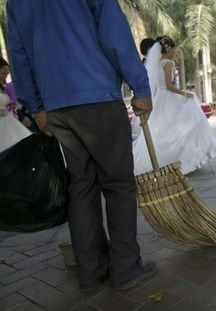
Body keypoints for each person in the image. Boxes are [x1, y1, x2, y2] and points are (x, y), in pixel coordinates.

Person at [7, 0, 156, 291]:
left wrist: (36, 106)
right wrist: (140, 86)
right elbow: (114, 34)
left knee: (81, 185)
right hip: (97, 97)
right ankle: (125, 268)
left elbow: (19, 53)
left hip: (56, 107)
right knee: (118, 184)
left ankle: (90, 272)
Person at [133, 36, 216, 175]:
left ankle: (163, 161)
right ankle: (180, 159)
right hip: (167, 97)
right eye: (174, 49)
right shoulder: (168, 63)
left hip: (159, 99)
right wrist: (185, 93)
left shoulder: (156, 63)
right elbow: (169, 86)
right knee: (186, 124)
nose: (174, 52)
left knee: (161, 130)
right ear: (169, 49)